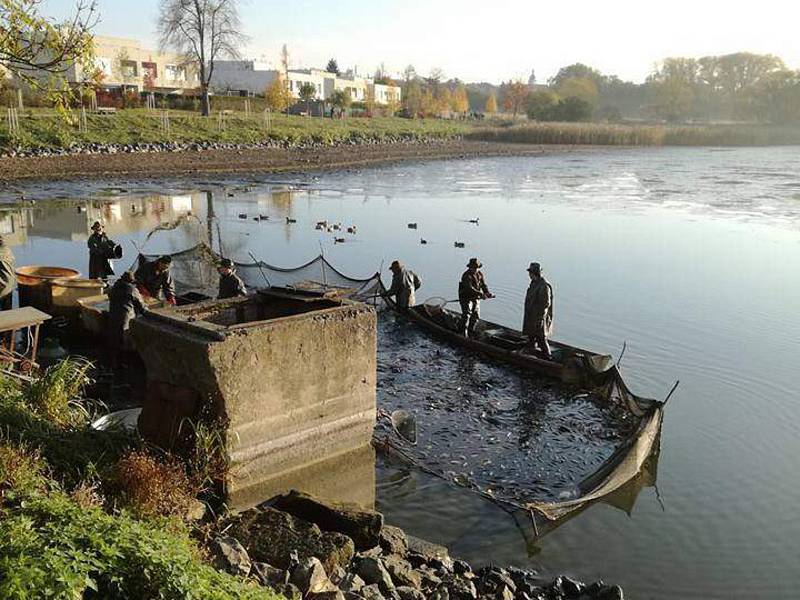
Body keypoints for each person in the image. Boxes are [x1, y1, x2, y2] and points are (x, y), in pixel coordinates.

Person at [107, 271, 147, 367]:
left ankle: (113, 363)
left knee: (114, 340)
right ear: (131, 281)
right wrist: (150, 314)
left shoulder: (114, 287)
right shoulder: (132, 289)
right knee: (124, 341)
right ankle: (124, 365)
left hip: (113, 317)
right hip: (125, 319)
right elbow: (142, 307)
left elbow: (109, 296)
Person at [523, 262, 553, 359]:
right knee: (531, 336)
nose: (529, 275)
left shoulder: (544, 285)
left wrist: (540, 319)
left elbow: (545, 304)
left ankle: (548, 357)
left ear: (534, 273)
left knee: (541, 338)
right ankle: (531, 355)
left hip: (539, 318)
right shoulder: (534, 283)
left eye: (530, 272)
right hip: (532, 316)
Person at [457, 258, 494, 338]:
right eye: (473, 267)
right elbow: (469, 288)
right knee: (467, 314)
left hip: (476, 298)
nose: (475, 269)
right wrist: (481, 294)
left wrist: (487, 293)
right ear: (470, 267)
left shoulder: (480, 274)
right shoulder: (466, 275)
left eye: (476, 267)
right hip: (466, 298)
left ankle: (471, 332)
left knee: (476, 316)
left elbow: (483, 285)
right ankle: (462, 333)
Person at [0, 236, 16, 311]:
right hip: (9, 285)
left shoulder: (2, 253)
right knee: (7, 311)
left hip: (3, 285)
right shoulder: (7, 250)